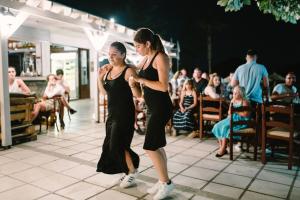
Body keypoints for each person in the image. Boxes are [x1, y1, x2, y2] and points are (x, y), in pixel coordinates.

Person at [129, 28, 174, 200]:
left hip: (162, 107)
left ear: (148, 44)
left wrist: (141, 80)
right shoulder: (146, 58)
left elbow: (163, 86)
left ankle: (166, 183)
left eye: (138, 46)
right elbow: (133, 68)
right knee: (156, 145)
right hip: (152, 107)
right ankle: (163, 181)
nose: (136, 49)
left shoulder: (160, 57)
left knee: (149, 146)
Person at [96, 42, 140, 189]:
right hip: (112, 114)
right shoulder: (108, 71)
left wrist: (134, 84)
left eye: (114, 54)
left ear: (123, 55)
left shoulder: (128, 71)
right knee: (111, 145)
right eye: (109, 54)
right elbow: (105, 94)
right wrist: (99, 78)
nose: (111, 56)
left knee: (117, 144)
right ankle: (128, 169)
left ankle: (131, 171)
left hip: (124, 114)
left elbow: (138, 95)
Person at [212, 86, 251, 157]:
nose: (234, 94)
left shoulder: (244, 101)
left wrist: (236, 111)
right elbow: (229, 112)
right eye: (233, 93)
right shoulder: (233, 100)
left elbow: (246, 114)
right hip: (231, 118)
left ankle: (223, 148)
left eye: (236, 93)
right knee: (217, 126)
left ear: (241, 94)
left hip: (241, 121)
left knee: (225, 128)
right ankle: (222, 147)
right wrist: (231, 112)